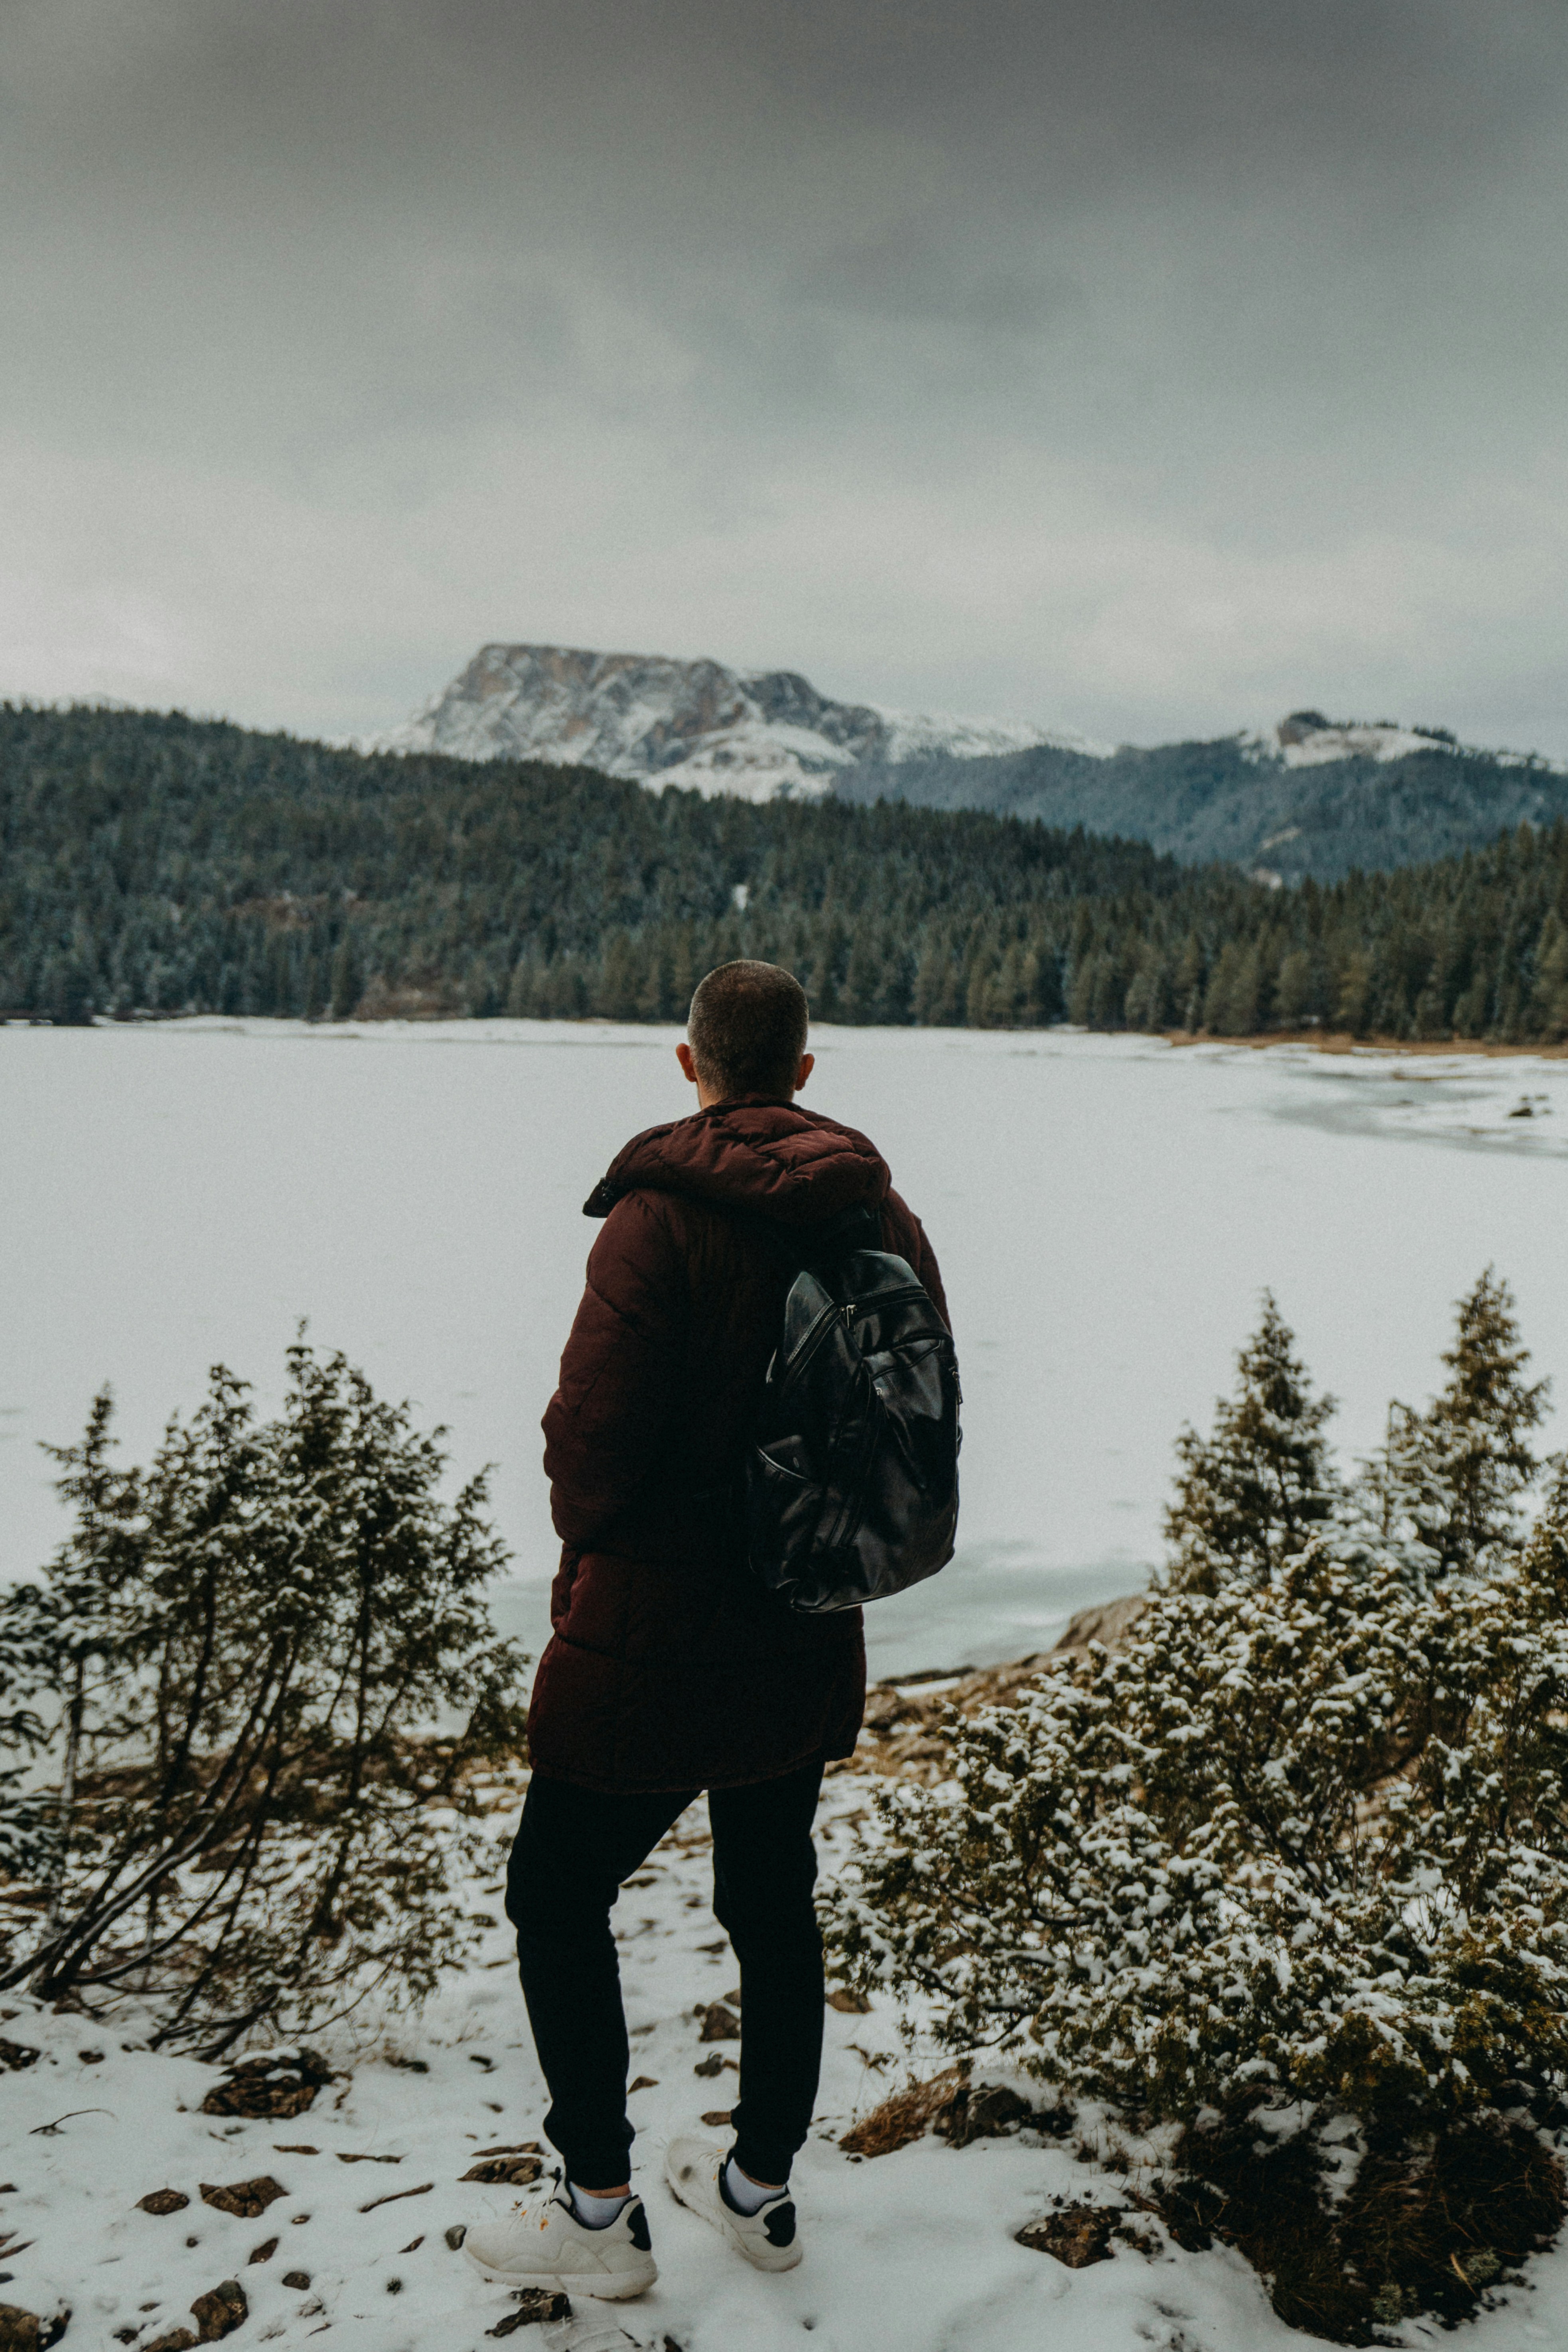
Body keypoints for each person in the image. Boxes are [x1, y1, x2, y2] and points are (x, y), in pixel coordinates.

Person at [464, 959, 948, 2302]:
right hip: (804, 1613)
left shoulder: (656, 1218)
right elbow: (916, 1419)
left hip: (655, 1627)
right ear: (802, 1071)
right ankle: (759, 2193)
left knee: (557, 1893)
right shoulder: (878, 1212)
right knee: (769, 1898)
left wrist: (601, 1557)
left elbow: (589, 1447)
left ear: (687, 1065)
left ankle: (599, 2212)